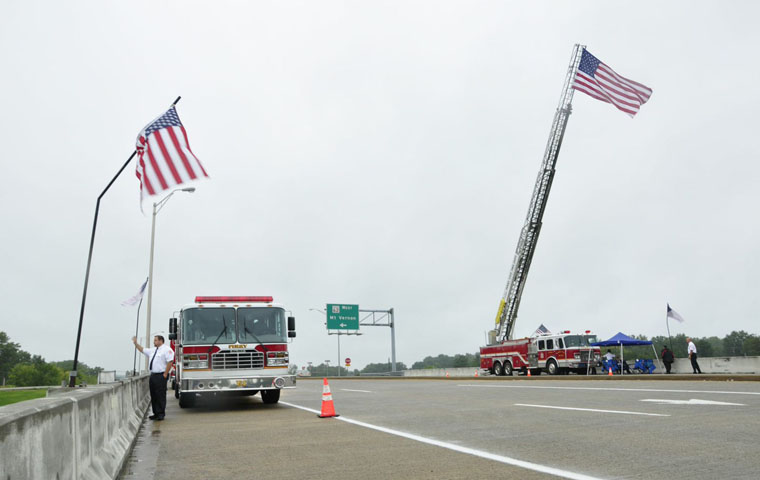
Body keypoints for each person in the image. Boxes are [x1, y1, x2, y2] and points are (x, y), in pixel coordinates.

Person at [133, 335, 175, 420]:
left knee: (160, 395)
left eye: (155, 340)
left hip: (161, 375)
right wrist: (136, 344)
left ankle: (161, 414)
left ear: (160, 341)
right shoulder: (153, 350)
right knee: (154, 395)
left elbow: (170, 362)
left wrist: (165, 374)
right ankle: (155, 413)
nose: (154, 342)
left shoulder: (167, 350)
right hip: (153, 375)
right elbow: (142, 350)